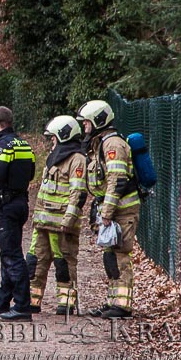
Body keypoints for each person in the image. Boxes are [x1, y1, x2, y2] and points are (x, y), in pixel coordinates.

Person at [77, 100, 140, 319]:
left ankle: (123, 306)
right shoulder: (100, 143)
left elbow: (117, 180)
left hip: (121, 210)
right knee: (110, 257)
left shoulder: (112, 145)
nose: (85, 128)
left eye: (86, 123)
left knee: (121, 256)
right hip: (111, 209)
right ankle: (113, 301)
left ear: (98, 121)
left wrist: (107, 212)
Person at [0, 106, 36, 322]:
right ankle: (1, 302)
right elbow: (30, 172)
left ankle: (22, 306)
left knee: (12, 256)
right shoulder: (23, 144)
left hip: (5, 206)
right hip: (20, 202)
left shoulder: (1, 146)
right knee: (9, 253)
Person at [27, 116, 87, 315]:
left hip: (62, 224)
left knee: (64, 263)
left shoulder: (77, 159)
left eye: (53, 137)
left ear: (63, 135)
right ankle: (32, 301)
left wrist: (69, 220)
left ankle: (66, 303)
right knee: (36, 261)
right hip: (44, 222)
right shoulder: (55, 156)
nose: (51, 141)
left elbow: (77, 193)